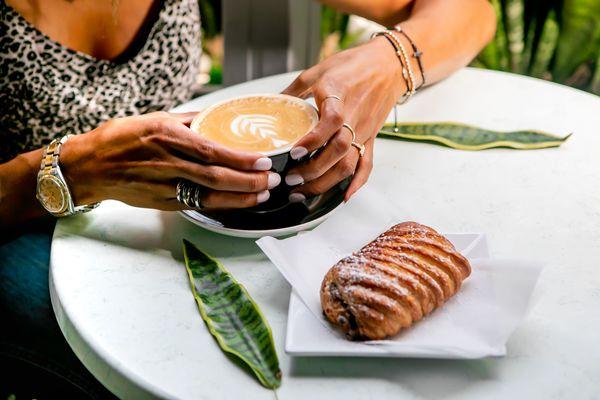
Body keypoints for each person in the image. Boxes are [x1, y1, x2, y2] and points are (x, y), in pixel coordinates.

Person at [0, 0, 496, 397]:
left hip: (185, 233)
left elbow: (469, 10)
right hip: (25, 231)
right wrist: (62, 172)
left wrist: (389, 62)